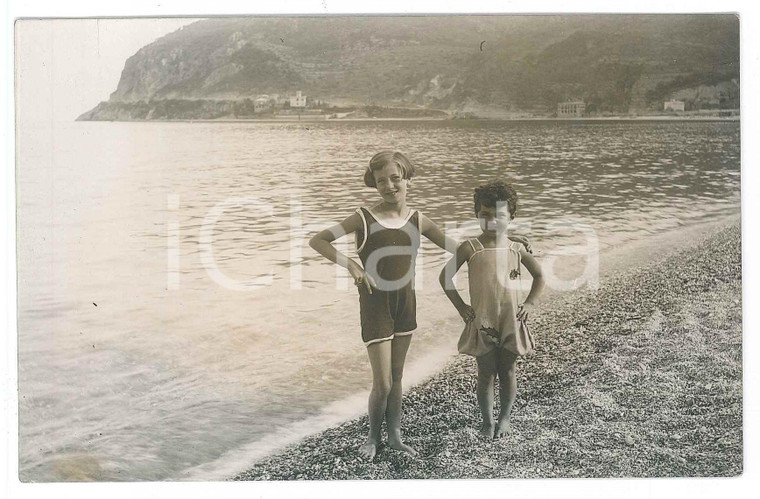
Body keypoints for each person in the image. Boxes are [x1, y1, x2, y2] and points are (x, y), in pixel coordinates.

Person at [309, 153, 530, 459]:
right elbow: (318, 240)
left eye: (396, 178)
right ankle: (372, 438)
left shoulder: (418, 220)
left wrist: (505, 236)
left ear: (408, 179)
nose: (389, 185)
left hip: (406, 304)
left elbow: (465, 249)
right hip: (375, 304)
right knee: (383, 381)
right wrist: (352, 267)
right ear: (373, 183)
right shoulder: (362, 217)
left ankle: (396, 436)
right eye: (381, 180)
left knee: (398, 377)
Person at [439, 180, 544, 440]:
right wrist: (462, 307)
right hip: (482, 319)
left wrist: (530, 303)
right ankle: (487, 422)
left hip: (511, 318)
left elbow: (540, 276)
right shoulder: (470, 248)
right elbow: (445, 278)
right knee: (485, 373)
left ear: (511, 217)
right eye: (484, 215)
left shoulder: (516, 248)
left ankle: (505, 419)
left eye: (498, 216)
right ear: (476, 214)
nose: (491, 221)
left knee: (508, 371)